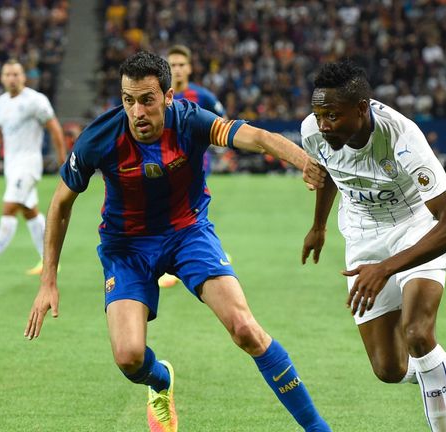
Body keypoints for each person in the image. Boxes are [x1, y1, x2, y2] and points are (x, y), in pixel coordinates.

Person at [24, 51, 330, 432]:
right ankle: (160, 381)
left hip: (188, 233)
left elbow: (258, 137)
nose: (137, 111)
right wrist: (48, 280)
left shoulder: (190, 120)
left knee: (246, 329)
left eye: (147, 100)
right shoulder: (98, 138)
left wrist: (305, 162)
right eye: (128, 100)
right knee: (129, 357)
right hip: (127, 248)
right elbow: (60, 204)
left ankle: (319, 429)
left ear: (169, 97)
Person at [300, 61, 446, 431]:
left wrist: (387, 267)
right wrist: (319, 226)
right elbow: (329, 173)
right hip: (362, 234)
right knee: (389, 369)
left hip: (416, 226)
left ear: (361, 108)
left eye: (332, 116)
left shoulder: (403, 137)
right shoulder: (313, 131)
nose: (323, 125)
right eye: (318, 114)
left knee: (418, 336)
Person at [0, 60, 66, 276]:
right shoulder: (0, 103)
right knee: (30, 212)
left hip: (28, 164)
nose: (12, 78)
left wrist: (62, 160)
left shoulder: (36, 101)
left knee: (9, 207)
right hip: (11, 166)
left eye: (16, 74)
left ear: (23, 77)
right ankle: (49, 261)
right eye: (8, 74)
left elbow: (55, 129)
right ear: (2, 78)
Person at [158, 44, 228, 289]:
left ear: (189, 68)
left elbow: (222, 121)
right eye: (173, 65)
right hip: (159, 162)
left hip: (194, 163)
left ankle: (182, 260)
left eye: (181, 65)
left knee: (188, 207)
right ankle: (204, 254)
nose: (177, 70)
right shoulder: (157, 95)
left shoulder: (202, 96)